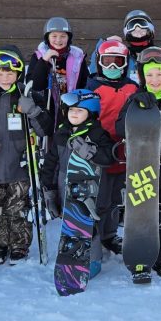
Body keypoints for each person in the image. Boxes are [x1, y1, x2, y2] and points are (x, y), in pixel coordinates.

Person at [0, 46, 52, 264]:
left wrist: (32, 110)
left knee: (17, 208)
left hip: (20, 166)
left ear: (18, 74)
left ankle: (19, 244)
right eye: (0, 73)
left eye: (10, 73)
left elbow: (45, 130)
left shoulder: (28, 96)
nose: (5, 77)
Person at [116, 47, 161, 279]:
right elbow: (120, 129)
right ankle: (142, 256)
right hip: (141, 169)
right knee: (141, 215)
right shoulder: (135, 101)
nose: (154, 80)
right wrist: (134, 106)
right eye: (149, 75)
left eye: (159, 74)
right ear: (141, 76)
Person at [40, 89, 116, 277]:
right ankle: (72, 257)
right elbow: (51, 164)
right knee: (71, 226)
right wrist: (49, 192)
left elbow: (108, 158)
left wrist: (89, 151)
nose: (74, 113)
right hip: (65, 188)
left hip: (91, 191)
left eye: (80, 110)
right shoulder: (61, 133)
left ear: (91, 113)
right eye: (71, 109)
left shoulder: (98, 134)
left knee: (89, 227)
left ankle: (93, 260)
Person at [86, 39, 138, 255]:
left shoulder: (132, 87)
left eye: (118, 61)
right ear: (99, 62)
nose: (113, 67)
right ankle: (92, 235)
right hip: (101, 152)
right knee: (99, 198)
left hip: (124, 151)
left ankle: (109, 234)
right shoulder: (92, 87)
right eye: (108, 62)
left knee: (116, 198)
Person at [28, 17, 89, 113]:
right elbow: (34, 85)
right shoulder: (38, 56)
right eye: (54, 36)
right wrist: (44, 61)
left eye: (63, 36)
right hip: (45, 111)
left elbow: (85, 83)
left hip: (71, 111)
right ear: (47, 38)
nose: (58, 40)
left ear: (68, 38)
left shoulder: (77, 58)